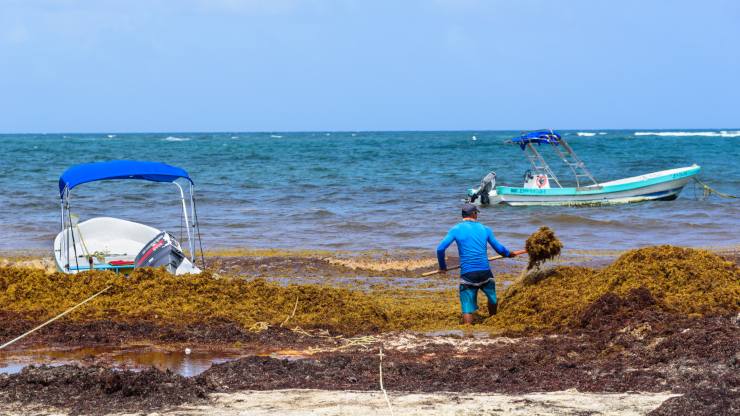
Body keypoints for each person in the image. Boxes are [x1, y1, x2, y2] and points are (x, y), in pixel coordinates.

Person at [436, 203, 515, 324]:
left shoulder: (456, 229)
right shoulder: (485, 229)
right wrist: (509, 254)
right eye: (476, 213)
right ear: (474, 214)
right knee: (492, 297)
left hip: (468, 274)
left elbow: (440, 249)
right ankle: (493, 320)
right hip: (485, 272)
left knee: (467, 306)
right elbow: (500, 249)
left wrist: (443, 267)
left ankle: (468, 331)